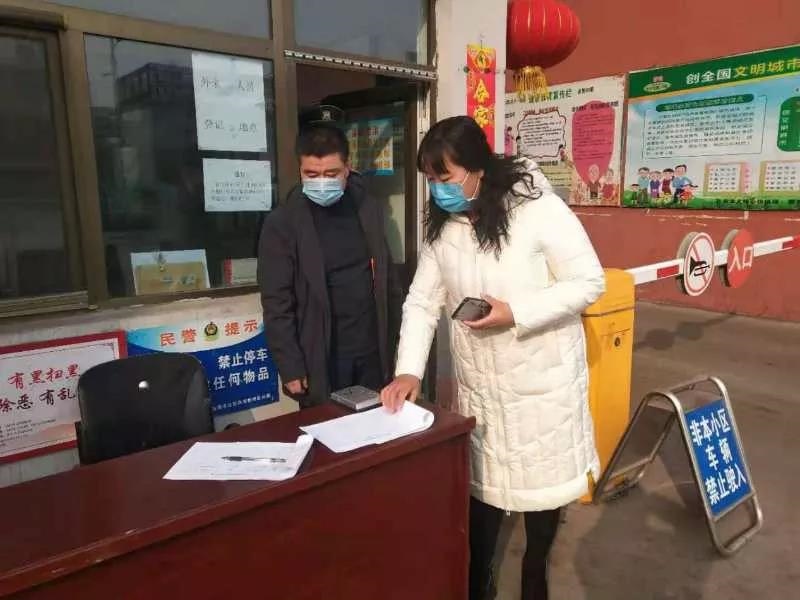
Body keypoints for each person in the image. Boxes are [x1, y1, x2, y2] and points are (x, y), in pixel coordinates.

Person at [381, 116, 605, 600]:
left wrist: (516, 312)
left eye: (445, 177)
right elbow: (422, 302)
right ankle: (478, 585)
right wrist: (408, 371)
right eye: (430, 179)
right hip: (482, 389)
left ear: (477, 168)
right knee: (481, 501)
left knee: (540, 504)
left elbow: (589, 282)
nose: (437, 190)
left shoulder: (536, 209)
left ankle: (534, 579)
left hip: (541, 388)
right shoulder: (444, 229)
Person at [258, 124, 402, 408]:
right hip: (320, 355)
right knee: (327, 428)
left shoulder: (367, 208)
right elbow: (276, 301)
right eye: (312, 175)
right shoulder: (283, 223)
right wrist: (290, 365)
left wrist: (397, 339)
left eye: (331, 173)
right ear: (300, 171)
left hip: (371, 351)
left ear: (347, 168)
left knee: (376, 426)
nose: (322, 182)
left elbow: (387, 277)